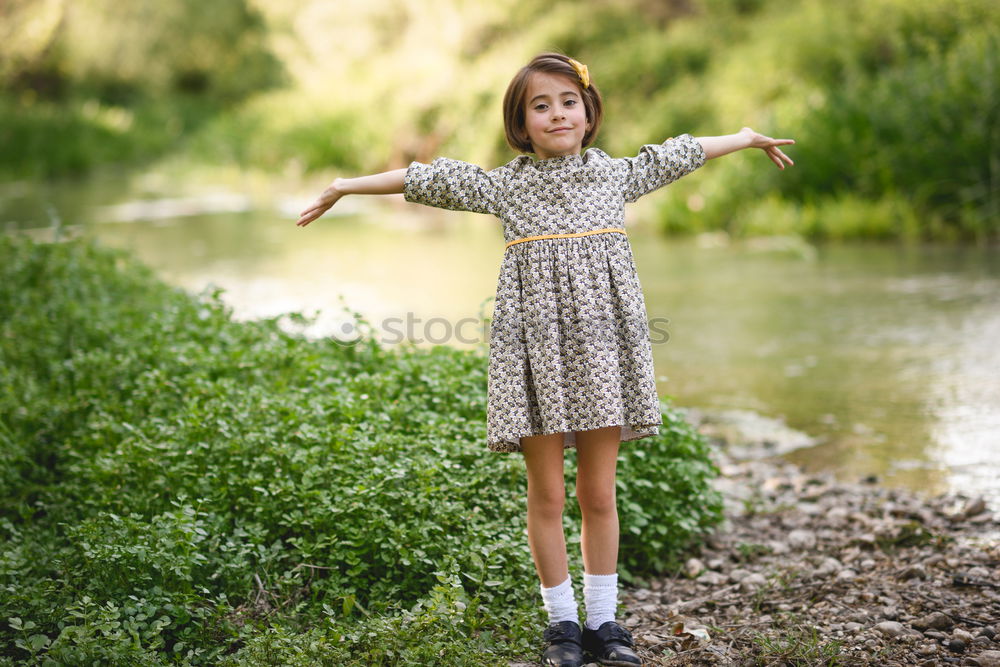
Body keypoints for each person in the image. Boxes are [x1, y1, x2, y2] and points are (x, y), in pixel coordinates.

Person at [296, 52, 794, 667]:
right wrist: (347, 185)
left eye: (568, 102)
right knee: (547, 496)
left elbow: (682, 150)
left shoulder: (615, 177)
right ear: (521, 124)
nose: (556, 114)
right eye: (540, 105)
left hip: (603, 356)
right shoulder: (506, 186)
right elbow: (422, 179)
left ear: (588, 116)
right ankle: (562, 626)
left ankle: (606, 623)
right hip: (533, 358)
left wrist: (744, 139)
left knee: (598, 492)